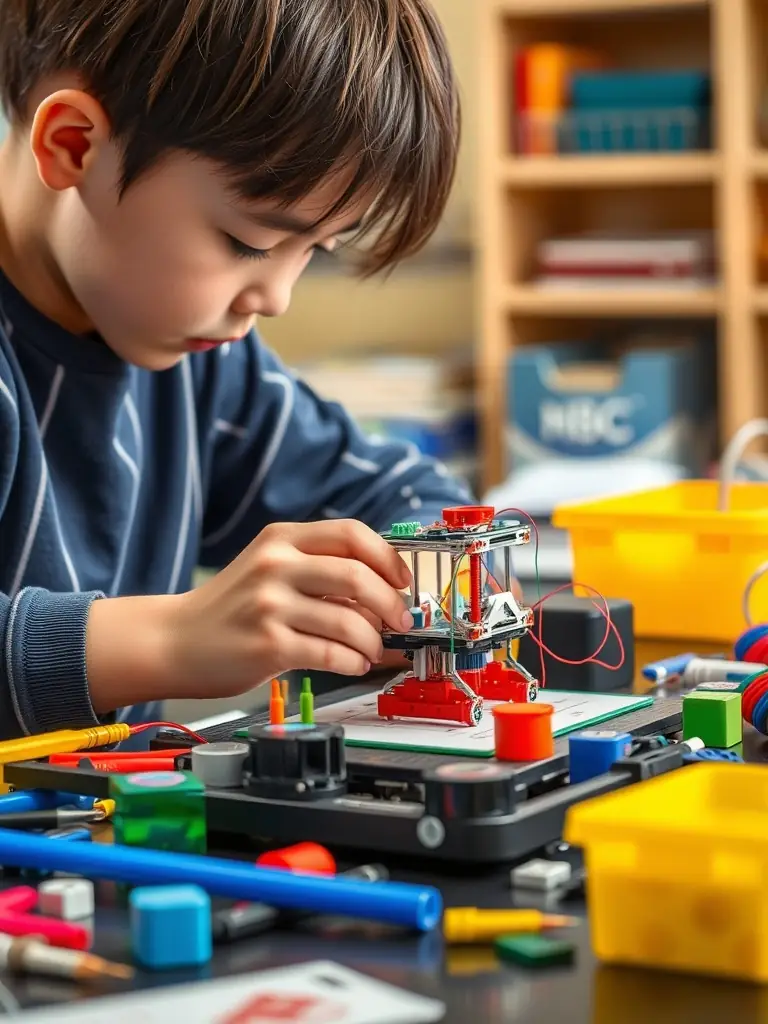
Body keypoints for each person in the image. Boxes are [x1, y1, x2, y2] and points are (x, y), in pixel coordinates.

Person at [0, 0, 476, 741]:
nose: (276, 298)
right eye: (249, 242)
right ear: (74, 145)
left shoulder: (198, 359)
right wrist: (170, 640)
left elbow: (395, 494)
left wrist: (439, 584)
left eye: (315, 249)